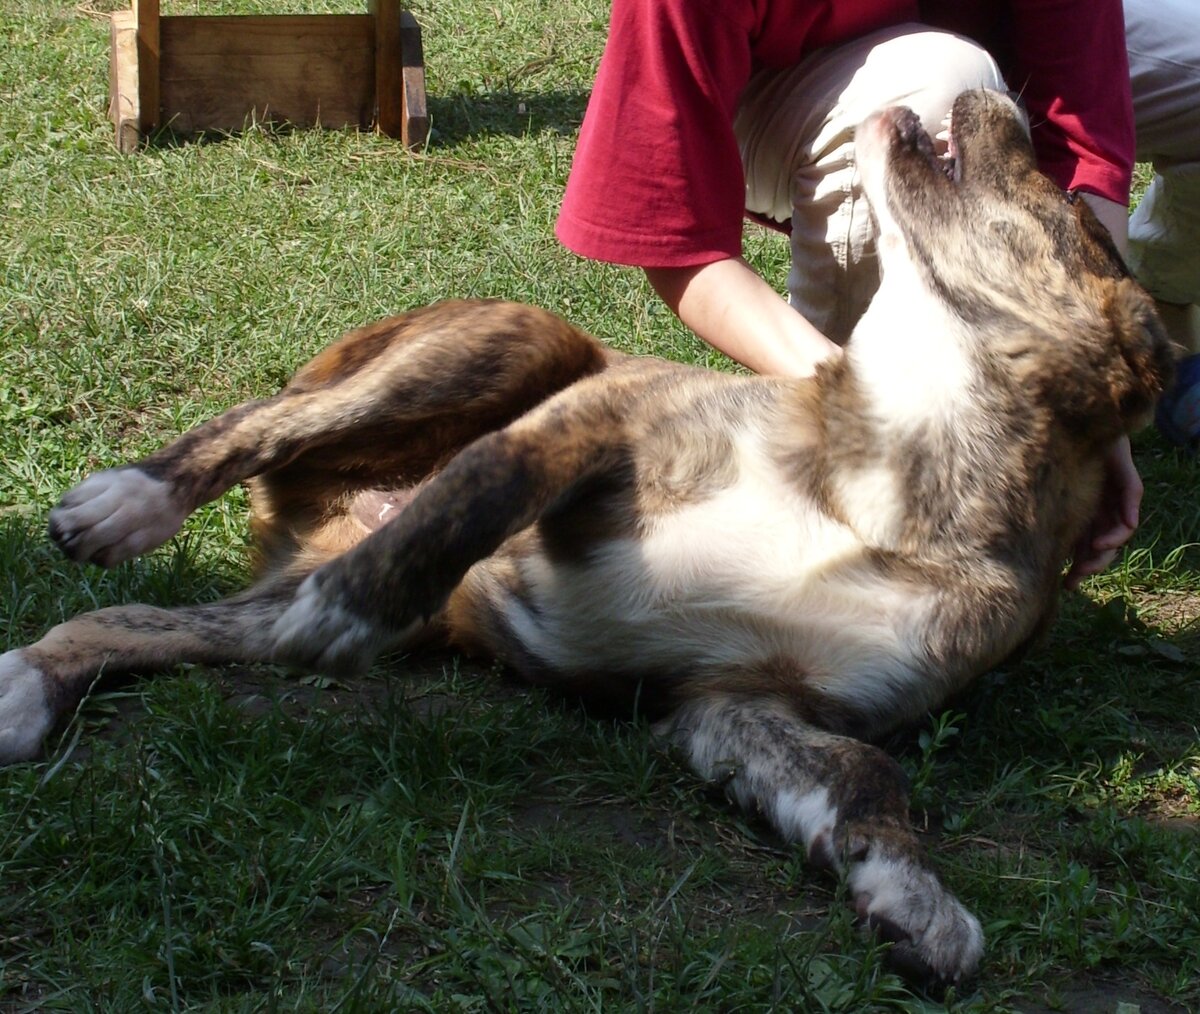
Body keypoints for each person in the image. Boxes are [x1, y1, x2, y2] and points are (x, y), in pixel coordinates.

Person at [556, 0, 1200, 587]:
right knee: (941, 81)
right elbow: (679, 241)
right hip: (779, 81)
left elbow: (1081, 139)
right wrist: (852, 397)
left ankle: (1169, 313)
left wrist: (1095, 387)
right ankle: (862, 472)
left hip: (977, 58)